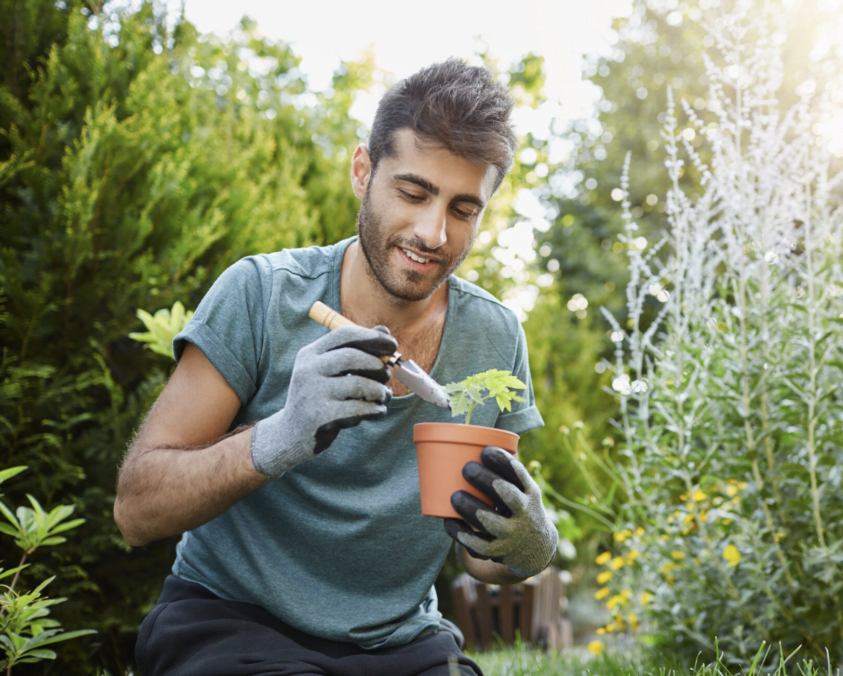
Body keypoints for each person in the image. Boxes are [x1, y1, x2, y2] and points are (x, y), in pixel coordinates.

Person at [113, 59, 559, 676]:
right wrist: (282, 434)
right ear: (362, 172)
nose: (433, 232)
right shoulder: (262, 295)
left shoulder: (495, 336)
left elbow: (479, 554)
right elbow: (136, 512)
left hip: (401, 641)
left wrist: (529, 543)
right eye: (413, 193)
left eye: (463, 209)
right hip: (234, 622)